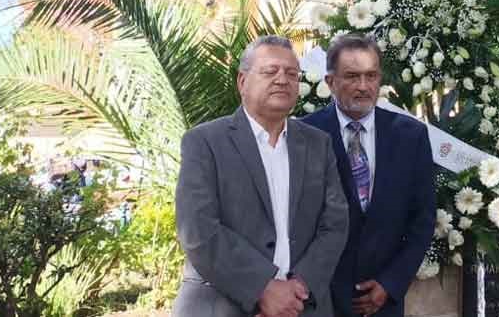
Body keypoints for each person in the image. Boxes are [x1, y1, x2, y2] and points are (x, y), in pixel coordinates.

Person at [174, 35, 349, 317]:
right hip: (222, 304)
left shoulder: (318, 144)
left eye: (291, 73)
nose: (282, 79)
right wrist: (263, 289)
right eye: (270, 71)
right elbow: (197, 230)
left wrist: (298, 288)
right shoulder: (205, 142)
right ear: (242, 82)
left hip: (301, 306)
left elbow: (335, 223)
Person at [303, 35, 437, 317]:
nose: (363, 86)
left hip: (383, 301)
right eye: (352, 76)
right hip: (318, 299)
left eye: (371, 76)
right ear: (330, 82)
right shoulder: (304, 135)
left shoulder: (411, 136)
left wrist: (391, 283)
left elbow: (423, 221)